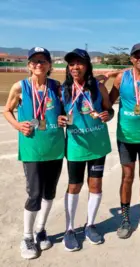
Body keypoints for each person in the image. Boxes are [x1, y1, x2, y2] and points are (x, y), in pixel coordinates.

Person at [3, 47, 65, 259]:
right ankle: (27, 237)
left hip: (55, 148)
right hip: (32, 150)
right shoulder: (20, 87)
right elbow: (7, 110)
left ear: (49, 65)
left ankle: (40, 230)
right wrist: (18, 126)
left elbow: (64, 112)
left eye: (43, 61)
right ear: (29, 64)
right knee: (35, 194)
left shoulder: (56, 87)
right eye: (34, 61)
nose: (38, 64)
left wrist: (62, 118)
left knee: (50, 193)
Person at [58, 49, 113, 251]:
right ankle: (70, 229)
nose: (75, 67)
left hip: (98, 145)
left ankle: (90, 224)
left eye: (79, 63)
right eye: (71, 64)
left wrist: (108, 115)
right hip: (76, 145)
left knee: (95, 186)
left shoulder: (98, 87)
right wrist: (60, 119)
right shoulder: (63, 89)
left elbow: (109, 109)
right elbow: (59, 115)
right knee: (74, 186)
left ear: (87, 66)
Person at [108, 43, 140, 238]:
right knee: (127, 177)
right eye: (137, 56)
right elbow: (110, 102)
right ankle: (125, 219)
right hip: (126, 136)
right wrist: (107, 114)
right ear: (131, 59)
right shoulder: (122, 78)